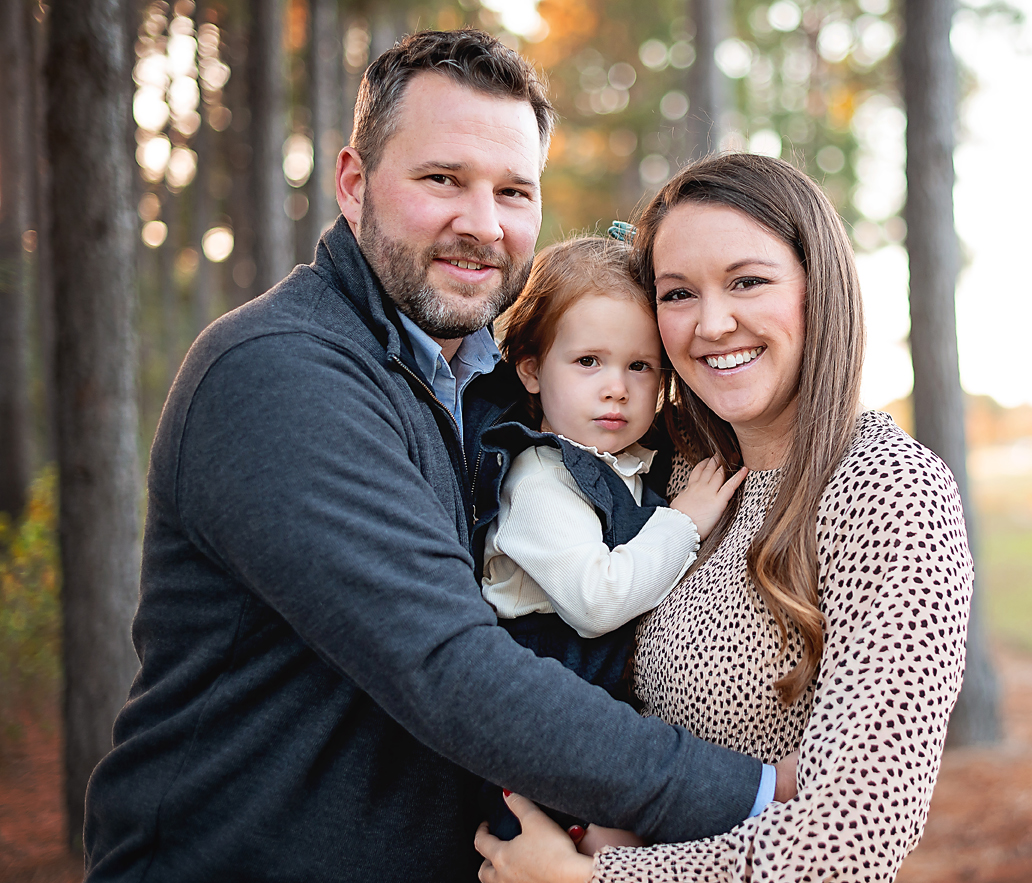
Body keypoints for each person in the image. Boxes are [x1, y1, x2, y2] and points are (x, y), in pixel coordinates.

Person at [82, 31, 786, 883]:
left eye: (513, 191)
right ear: (353, 184)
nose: (482, 224)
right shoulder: (279, 373)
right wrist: (746, 791)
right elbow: (451, 669)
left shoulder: (493, 389)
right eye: (442, 179)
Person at [475, 153, 975, 883]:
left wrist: (590, 880)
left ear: (817, 287)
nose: (712, 323)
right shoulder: (663, 464)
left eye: (747, 281)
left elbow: (851, 841)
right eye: (678, 293)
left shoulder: (889, 492)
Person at [474, 236, 746, 839]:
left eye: (640, 365)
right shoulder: (539, 477)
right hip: (547, 732)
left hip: (599, 725)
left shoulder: (626, 461)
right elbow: (597, 603)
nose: (617, 387)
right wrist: (683, 523)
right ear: (532, 371)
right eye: (588, 362)